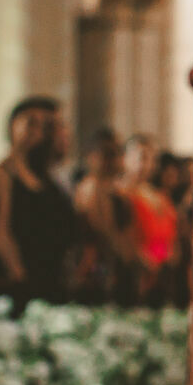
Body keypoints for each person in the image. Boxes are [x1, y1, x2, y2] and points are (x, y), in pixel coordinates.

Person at [0, 97, 75, 307]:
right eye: (31, 123)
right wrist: (19, 276)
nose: (38, 131)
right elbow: (0, 230)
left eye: (44, 125)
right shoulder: (5, 173)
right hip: (23, 284)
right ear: (12, 127)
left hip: (52, 280)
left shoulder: (48, 178)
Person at [73, 127, 138, 305]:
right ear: (91, 156)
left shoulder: (118, 192)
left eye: (117, 153)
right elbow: (101, 231)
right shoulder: (89, 190)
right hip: (99, 271)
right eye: (108, 154)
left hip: (119, 267)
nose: (115, 160)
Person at [122, 135, 181, 305]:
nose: (147, 165)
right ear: (125, 158)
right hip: (137, 274)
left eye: (151, 159)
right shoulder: (121, 194)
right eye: (142, 158)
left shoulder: (158, 196)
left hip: (163, 275)